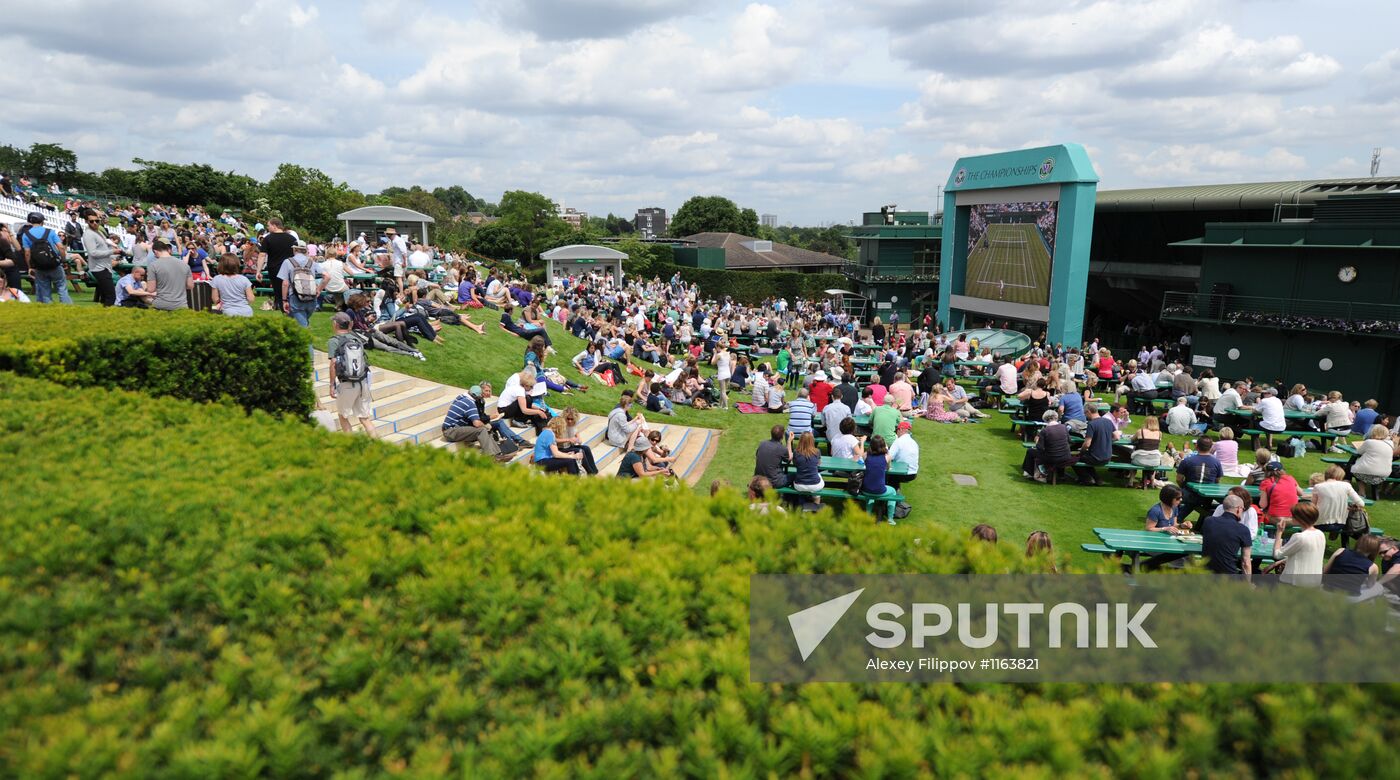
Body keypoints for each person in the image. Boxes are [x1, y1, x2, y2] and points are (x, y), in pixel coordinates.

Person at [326, 312, 375, 436]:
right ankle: (377, 445)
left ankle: (351, 447)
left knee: (343, 416)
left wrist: (332, 385)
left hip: (347, 384)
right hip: (362, 383)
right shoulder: (356, 339)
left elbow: (333, 364)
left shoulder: (334, 341)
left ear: (335, 324)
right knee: (365, 418)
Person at [1265, 502, 1324, 587]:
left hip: (1294, 582)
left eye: (1293, 516)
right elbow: (1304, 556)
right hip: (1314, 582)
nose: (1291, 517)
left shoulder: (1299, 537)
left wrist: (1279, 532)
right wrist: (1277, 563)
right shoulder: (1320, 534)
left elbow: (1277, 554)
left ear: (1300, 519)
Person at [441, 387, 508, 461]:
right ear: (476, 397)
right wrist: (485, 426)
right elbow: (476, 423)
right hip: (451, 432)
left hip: (451, 430)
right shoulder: (470, 403)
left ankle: (498, 454)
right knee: (482, 430)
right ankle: (491, 456)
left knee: (484, 430)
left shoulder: (461, 398)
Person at [20, 212, 71, 304]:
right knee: (61, 288)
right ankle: (67, 309)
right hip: (54, 264)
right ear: (42, 221)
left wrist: (30, 267)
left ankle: (48, 311)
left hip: (39, 266)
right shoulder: (50, 232)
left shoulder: (26, 235)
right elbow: (61, 247)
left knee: (45, 292)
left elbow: (27, 253)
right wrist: (63, 261)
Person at [1200, 494, 1253, 581]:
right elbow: (1245, 562)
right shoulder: (1243, 530)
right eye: (1243, 509)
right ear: (1239, 509)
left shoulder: (1208, 521)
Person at [1176, 436, 1223, 523]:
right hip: (1208, 497)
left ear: (1196, 446)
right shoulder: (1217, 462)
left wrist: (1183, 487)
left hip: (1189, 494)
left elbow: (1179, 479)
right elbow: (1217, 481)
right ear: (1211, 447)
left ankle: (1178, 518)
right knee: (1196, 501)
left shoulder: (1187, 461)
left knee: (1188, 499)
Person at [278, 241, 325, 327]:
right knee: (296, 324)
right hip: (311, 297)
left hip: (296, 297)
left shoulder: (288, 262)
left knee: (303, 328)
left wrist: (284, 300)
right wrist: (319, 289)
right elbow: (327, 276)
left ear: (294, 249)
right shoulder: (311, 262)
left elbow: (285, 283)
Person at [1312, 465, 1366, 537]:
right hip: (1340, 524)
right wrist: (1353, 506)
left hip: (1319, 523)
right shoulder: (1346, 485)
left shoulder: (1318, 487)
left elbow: (1312, 507)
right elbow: (1361, 503)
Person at [1023, 410, 1075, 483]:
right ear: (1056, 417)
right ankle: (1060, 475)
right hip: (1066, 456)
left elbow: (1039, 448)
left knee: (1030, 451)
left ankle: (1029, 472)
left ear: (1045, 419)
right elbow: (1070, 441)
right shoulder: (1064, 427)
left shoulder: (1045, 431)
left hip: (1052, 457)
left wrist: (1037, 441)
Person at [80, 210, 117, 306]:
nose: (95, 223)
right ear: (86, 221)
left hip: (105, 267)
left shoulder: (98, 232)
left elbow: (104, 247)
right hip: (99, 268)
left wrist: (115, 253)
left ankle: (103, 316)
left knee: (105, 297)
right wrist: (112, 251)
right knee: (111, 296)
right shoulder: (88, 234)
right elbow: (93, 253)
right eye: (91, 221)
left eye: (97, 221)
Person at [1073, 405, 1117, 486]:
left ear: (1088, 412)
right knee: (1087, 458)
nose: (1085, 416)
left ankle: (1087, 479)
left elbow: (1087, 444)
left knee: (1074, 459)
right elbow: (1116, 436)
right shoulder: (1108, 421)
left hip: (1096, 457)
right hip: (1107, 457)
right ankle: (1097, 479)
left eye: (1085, 413)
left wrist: (1081, 452)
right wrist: (1106, 440)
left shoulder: (1092, 424)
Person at [1352, 424, 1399, 500]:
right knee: (1364, 468)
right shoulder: (1390, 444)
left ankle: (1361, 491)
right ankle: (1372, 494)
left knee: (1354, 468)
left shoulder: (1369, 442)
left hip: (1366, 473)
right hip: (1383, 475)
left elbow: (1359, 452)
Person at [261, 218, 296, 310]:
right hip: (290, 269)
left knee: (279, 294)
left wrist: (258, 271)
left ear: (274, 226)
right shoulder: (292, 238)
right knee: (291, 292)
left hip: (274, 269)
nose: (268, 228)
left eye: (268, 226)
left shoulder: (268, 238)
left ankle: (284, 311)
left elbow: (262, 255)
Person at [147, 240, 191, 311]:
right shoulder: (184, 264)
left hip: (161, 306)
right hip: (181, 305)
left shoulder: (153, 265)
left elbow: (150, 289)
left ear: (155, 251)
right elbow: (190, 286)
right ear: (168, 250)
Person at [208, 253, 255, 317]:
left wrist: (220, 303)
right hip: (246, 311)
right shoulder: (244, 279)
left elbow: (215, 299)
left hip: (228, 311)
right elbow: (251, 298)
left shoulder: (217, 279)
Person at [1256, 460, 1301, 527]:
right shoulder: (1290, 478)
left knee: (1257, 514)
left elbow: (1263, 505)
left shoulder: (1266, 482)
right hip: (1293, 518)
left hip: (1276, 519)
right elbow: (1300, 492)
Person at [887, 420, 919, 512]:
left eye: (897, 430)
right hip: (913, 473)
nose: (896, 432)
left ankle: (889, 504)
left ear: (901, 429)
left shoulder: (898, 441)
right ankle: (893, 499)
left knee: (886, 476)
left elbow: (889, 457)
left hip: (903, 473)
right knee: (893, 478)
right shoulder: (914, 443)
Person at [753, 424, 791, 489]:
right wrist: (789, 441)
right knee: (794, 476)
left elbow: (757, 455)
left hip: (758, 479)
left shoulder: (762, 444)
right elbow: (789, 459)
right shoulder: (782, 449)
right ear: (782, 436)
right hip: (773, 482)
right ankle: (789, 497)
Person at [790, 432, 825, 499]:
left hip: (799, 485)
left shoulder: (796, 452)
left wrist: (789, 442)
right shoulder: (817, 451)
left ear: (800, 440)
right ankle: (816, 504)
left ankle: (802, 501)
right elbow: (819, 463)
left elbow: (794, 463)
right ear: (812, 441)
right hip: (815, 485)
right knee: (818, 475)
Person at [712, 343, 732, 410]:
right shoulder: (728, 353)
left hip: (722, 374)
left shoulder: (718, 355)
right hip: (728, 373)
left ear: (718, 347)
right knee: (722, 390)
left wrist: (714, 353)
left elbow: (712, 363)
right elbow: (730, 364)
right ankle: (720, 405)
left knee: (723, 391)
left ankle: (726, 406)